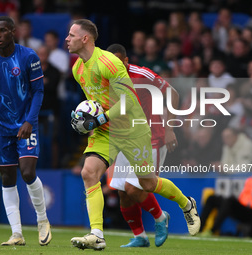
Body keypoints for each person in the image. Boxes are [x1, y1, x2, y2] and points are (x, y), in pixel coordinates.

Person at [66, 19, 200, 251]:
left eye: (71, 35)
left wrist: (99, 118)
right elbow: (95, 101)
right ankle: (97, 233)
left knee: (145, 184)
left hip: (132, 130)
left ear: (85, 38)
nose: (67, 39)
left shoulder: (109, 63)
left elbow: (128, 100)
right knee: (90, 173)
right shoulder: (78, 69)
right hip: (107, 131)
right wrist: (87, 118)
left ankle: (185, 203)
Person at [0, 16, 52, 246]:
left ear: (12, 32)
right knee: (7, 177)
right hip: (0, 127)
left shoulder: (28, 56)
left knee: (27, 173)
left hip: (26, 125)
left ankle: (42, 220)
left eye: (1, 31)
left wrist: (30, 120)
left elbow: (38, 91)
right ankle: (16, 233)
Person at [106, 43, 179, 247]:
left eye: (119, 62)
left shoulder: (142, 74)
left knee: (133, 188)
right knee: (122, 192)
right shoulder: (106, 79)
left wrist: (170, 128)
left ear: (126, 61)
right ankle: (140, 236)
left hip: (151, 139)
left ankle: (160, 217)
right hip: (124, 139)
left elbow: (173, 93)